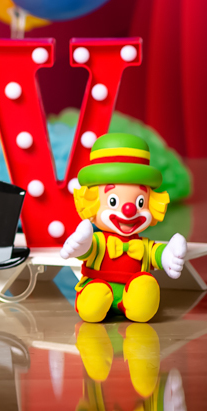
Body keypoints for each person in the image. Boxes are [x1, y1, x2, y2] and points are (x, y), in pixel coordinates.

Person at [58, 132, 187, 323]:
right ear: (93, 202)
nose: (129, 210)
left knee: (144, 284)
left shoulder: (142, 244)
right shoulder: (99, 241)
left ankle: (138, 302)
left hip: (131, 293)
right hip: (99, 286)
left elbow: (155, 254)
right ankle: (95, 299)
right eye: (113, 201)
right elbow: (88, 251)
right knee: (94, 298)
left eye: (140, 201)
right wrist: (81, 245)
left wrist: (168, 255)